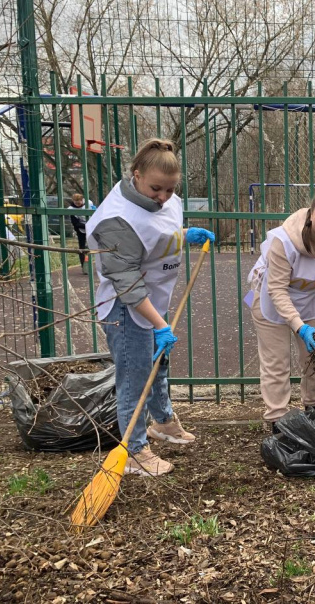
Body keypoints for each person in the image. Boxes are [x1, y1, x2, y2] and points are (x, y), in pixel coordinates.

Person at [86, 138, 215, 477]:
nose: (163, 197)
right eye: (156, 188)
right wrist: (161, 324)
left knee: (159, 363)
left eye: (170, 190)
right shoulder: (115, 220)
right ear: (137, 174)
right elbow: (126, 282)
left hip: (154, 300)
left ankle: (163, 423)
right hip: (124, 308)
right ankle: (134, 450)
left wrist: (185, 234)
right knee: (135, 375)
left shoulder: (168, 199)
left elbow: (159, 231)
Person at [247, 189, 315, 432]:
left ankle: (313, 412)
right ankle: (277, 423)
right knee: (277, 363)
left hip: (309, 300)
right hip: (270, 301)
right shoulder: (283, 241)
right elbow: (277, 291)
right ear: (310, 213)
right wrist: (300, 327)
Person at [68, 193, 95, 274]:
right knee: (82, 248)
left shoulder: (89, 204)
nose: (77, 204)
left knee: (96, 245)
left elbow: (95, 212)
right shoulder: (71, 209)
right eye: (75, 202)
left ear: (82, 200)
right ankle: (84, 266)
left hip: (92, 228)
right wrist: (85, 226)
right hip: (81, 229)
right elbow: (75, 223)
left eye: (79, 202)